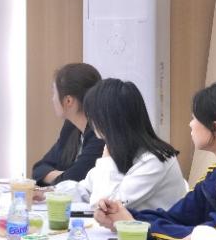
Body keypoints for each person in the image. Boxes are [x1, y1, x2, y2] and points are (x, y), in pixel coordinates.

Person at [96, 81, 216, 240]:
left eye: (194, 118)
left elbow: (211, 238)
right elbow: (176, 216)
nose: (190, 124)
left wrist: (134, 224)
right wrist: (125, 216)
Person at [49, 78, 186, 211]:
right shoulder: (123, 150)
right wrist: (47, 193)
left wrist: (107, 161)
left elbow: (106, 207)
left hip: (151, 228)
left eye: (93, 115)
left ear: (109, 118)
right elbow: (85, 188)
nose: (91, 121)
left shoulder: (155, 161)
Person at [32, 63, 105, 186]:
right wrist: (64, 175)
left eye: (54, 93)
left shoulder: (99, 135)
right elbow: (39, 168)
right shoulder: (71, 126)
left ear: (68, 101)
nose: (52, 99)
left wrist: (62, 175)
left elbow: (73, 180)